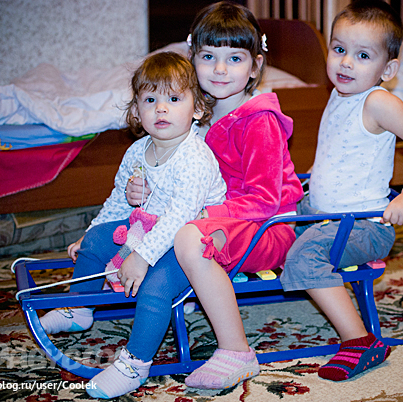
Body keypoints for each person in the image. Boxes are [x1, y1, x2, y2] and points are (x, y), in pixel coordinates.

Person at [127, 1, 304, 390]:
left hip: (267, 227)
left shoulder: (259, 121)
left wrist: (204, 213)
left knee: (189, 236)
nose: (220, 69)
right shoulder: (196, 113)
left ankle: (236, 350)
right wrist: (146, 189)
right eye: (209, 57)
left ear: (255, 66)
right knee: (152, 224)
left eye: (234, 59)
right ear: (192, 59)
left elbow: (265, 200)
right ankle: (89, 298)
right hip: (225, 218)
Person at [39, 51, 227, 399]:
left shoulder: (195, 157)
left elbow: (179, 216)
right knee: (97, 239)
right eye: (150, 100)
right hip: (149, 229)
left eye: (174, 99)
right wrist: (91, 233)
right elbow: (117, 200)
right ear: (137, 111)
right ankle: (78, 307)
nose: (161, 109)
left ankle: (135, 364)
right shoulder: (137, 151)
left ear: (198, 109)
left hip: (194, 242)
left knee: (155, 286)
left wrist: (140, 256)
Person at [279, 0, 403, 382]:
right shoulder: (339, 94)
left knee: (302, 257)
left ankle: (359, 341)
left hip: (365, 225)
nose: (346, 63)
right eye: (339, 49)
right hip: (324, 213)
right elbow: (339, 151)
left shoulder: (378, 101)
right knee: (271, 216)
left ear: (388, 70)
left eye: (363, 55)